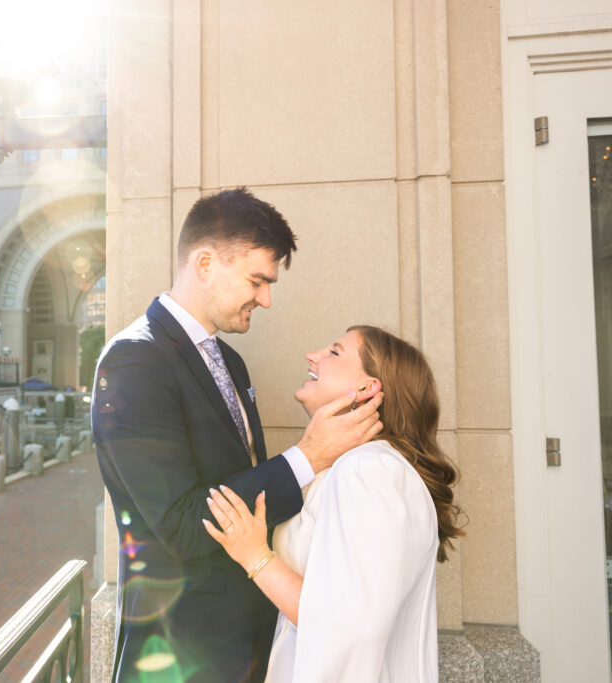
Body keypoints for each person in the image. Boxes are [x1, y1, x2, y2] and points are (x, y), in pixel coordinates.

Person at [92, 188, 384, 682]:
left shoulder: (231, 362)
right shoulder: (132, 362)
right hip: (182, 655)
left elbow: (249, 492)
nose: (266, 299)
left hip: (251, 644)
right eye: (257, 280)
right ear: (205, 262)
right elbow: (182, 525)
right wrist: (309, 456)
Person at [205, 326, 463, 682]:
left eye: (335, 352)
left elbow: (346, 626)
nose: (314, 356)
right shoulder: (362, 468)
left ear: (367, 388)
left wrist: (255, 557)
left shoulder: (369, 471)